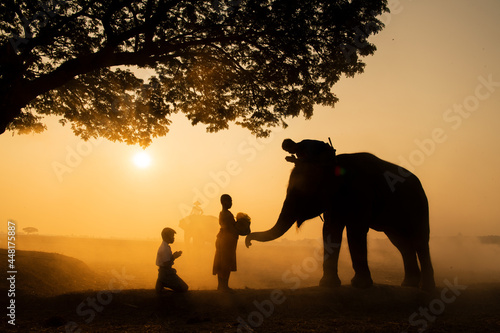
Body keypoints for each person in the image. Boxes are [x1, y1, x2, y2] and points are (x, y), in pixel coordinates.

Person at [213, 194, 239, 292]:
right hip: (226, 241)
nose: (231, 203)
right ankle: (223, 287)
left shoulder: (224, 213)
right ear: (224, 202)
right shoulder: (226, 214)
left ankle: (222, 286)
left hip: (223, 239)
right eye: (230, 201)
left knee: (222, 263)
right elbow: (230, 228)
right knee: (225, 263)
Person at [155, 227, 188, 294]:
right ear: (167, 237)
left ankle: (161, 283)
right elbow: (166, 264)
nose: (173, 238)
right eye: (172, 236)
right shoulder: (165, 248)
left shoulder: (165, 246)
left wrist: (174, 256)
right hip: (166, 273)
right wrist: (174, 257)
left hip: (164, 272)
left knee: (183, 287)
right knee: (184, 288)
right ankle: (163, 283)